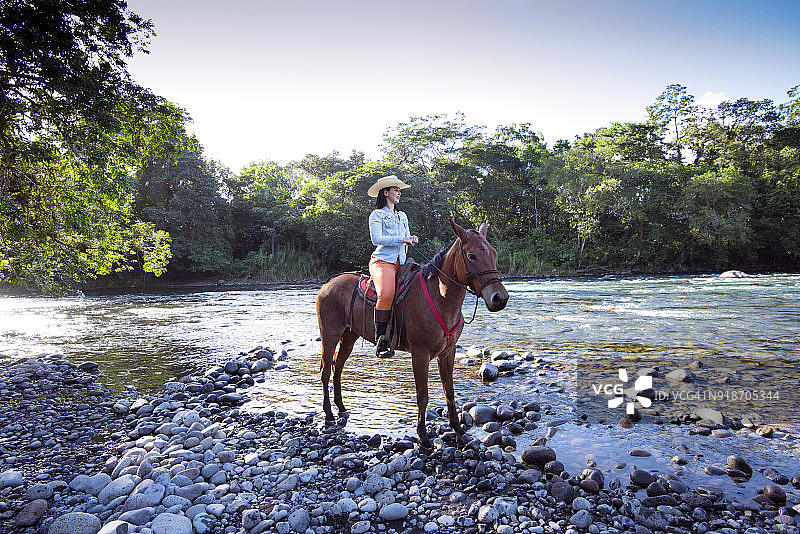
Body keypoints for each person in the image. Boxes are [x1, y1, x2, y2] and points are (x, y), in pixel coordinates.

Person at [367, 175, 418, 357]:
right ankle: (381, 340)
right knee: (386, 293)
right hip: (383, 261)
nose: (399, 193)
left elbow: (406, 236)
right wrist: (401, 239)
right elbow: (376, 239)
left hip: (403, 262)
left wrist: (411, 239)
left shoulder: (402, 216)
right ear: (386, 192)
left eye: (399, 190)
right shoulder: (377, 215)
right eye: (396, 190)